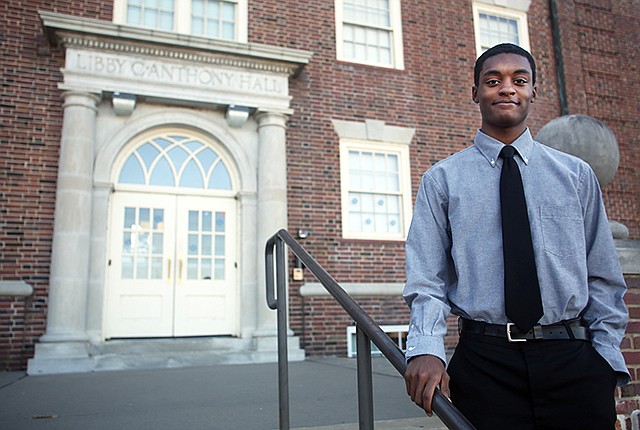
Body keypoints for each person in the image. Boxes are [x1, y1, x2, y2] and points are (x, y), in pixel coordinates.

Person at [403, 43, 629, 430]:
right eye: (493, 81)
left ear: (532, 92)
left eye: (519, 80)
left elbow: (603, 274)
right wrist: (425, 347)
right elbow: (427, 278)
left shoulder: (575, 176)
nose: (506, 89)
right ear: (476, 92)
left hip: (573, 359)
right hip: (485, 362)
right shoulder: (442, 181)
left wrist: (605, 358)